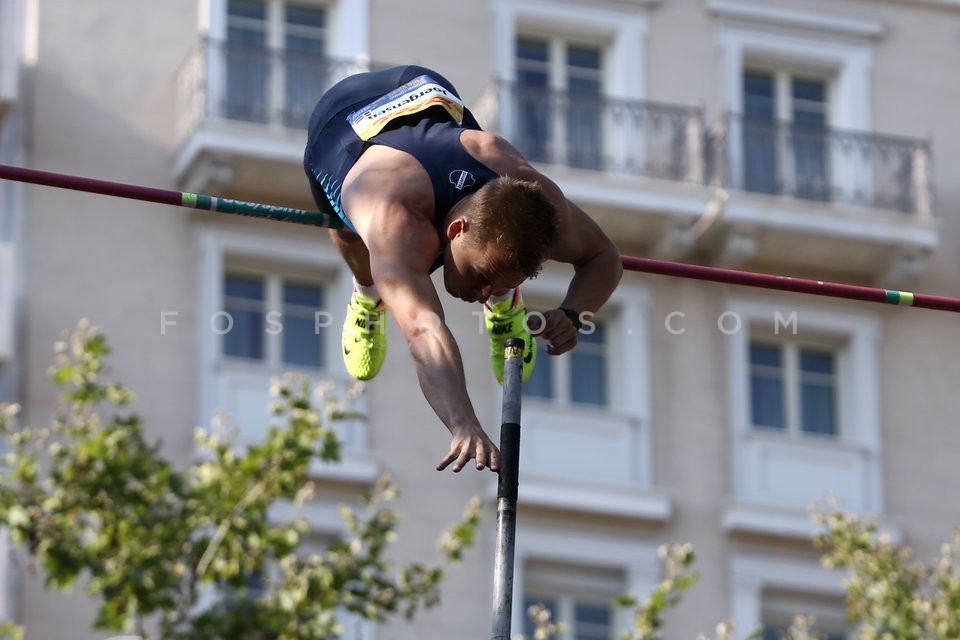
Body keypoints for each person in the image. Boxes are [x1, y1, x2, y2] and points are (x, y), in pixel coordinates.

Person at [303, 65, 622, 474]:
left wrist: (577, 313)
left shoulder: (532, 192)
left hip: (424, 91)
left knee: (505, 242)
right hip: (339, 129)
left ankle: (509, 302)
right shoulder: (392, 215)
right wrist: (462, 422)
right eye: (482, 280)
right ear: (455, 229)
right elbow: (424, 329)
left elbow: (603, 256)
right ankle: (367, 294)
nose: (479, 292)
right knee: (354, 235)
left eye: (493, 287)